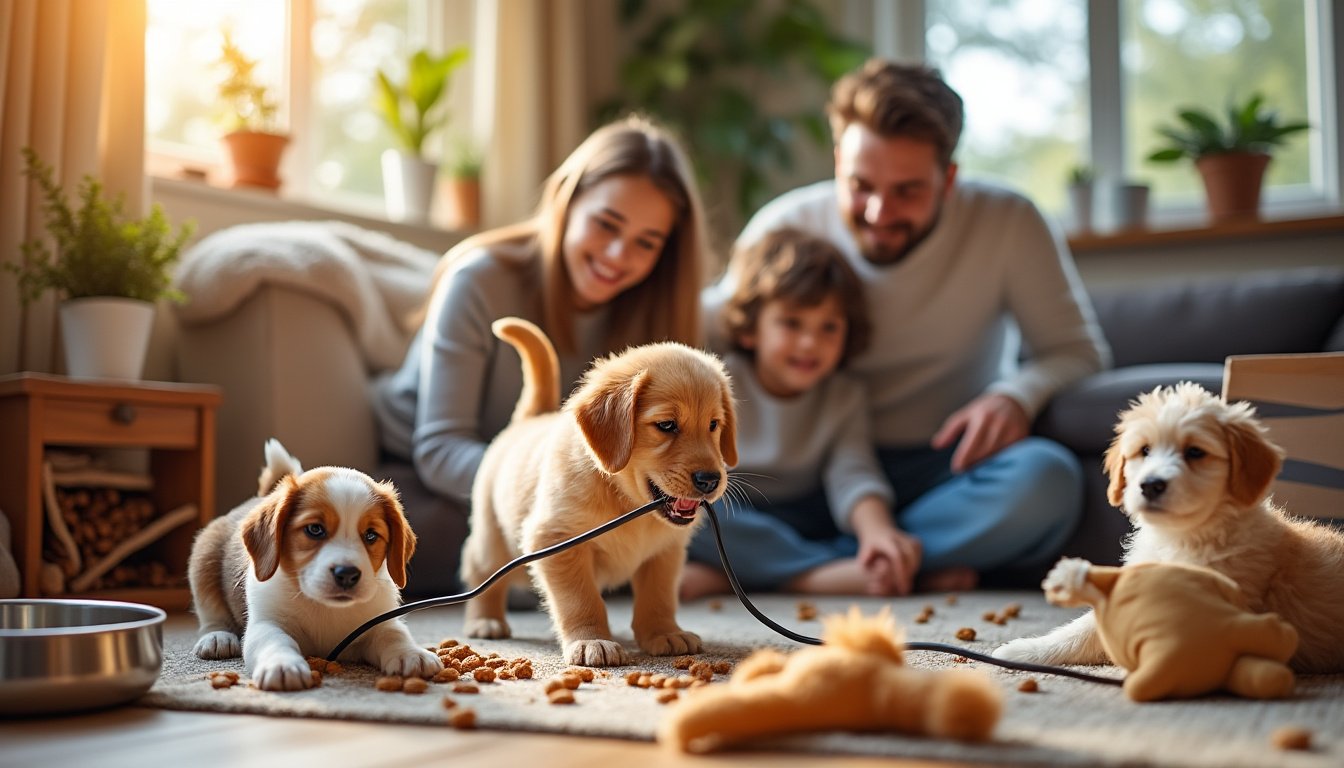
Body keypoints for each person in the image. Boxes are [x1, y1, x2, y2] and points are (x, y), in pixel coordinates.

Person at [702, 59, 1111, 593]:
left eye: (908, 191)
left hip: (941, 467)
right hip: (787, 484)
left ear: (949, 179)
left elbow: (1078, 351)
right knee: (663, 501)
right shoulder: (785, 228)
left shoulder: (1010, 221)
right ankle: (872, 568)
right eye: (860, 185)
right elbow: (710, 331)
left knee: (1048, 481)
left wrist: (1015, 397)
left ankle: (820, 565)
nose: (878, 211)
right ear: (837, 162)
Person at [372, 115, 712, 595]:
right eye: (605, 223)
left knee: (702, 515)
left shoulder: (654, 317)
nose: (618, 254)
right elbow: (440, 449)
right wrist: (557, 484)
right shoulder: (478, 281)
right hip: (434, 480)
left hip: (576, 483)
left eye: (646, 242)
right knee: (480, 547)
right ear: (567, 203)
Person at [681, 227, 914, 600]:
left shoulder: (844, 395)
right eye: (791, 323)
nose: (810, 343)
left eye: (829, 327)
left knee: (883, 529)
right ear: (751, 329)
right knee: (697, 515)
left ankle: (734, 575)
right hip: (734, 509)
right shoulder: (716, 382)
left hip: (808, 515)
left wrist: (877, 533)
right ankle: (811, 576)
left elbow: (853, 474)